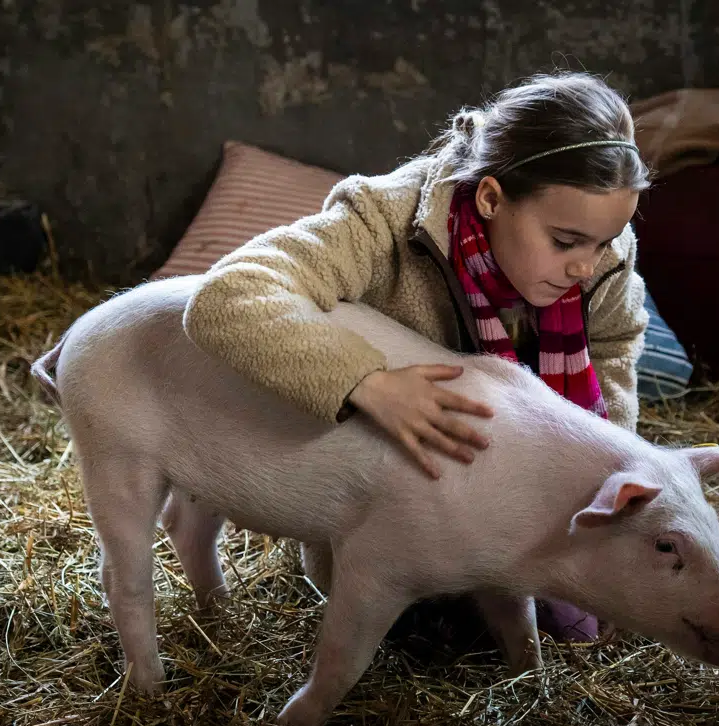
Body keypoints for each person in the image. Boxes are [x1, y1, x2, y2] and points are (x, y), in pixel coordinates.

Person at [181, 70, 654, 643]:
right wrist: (368, 382)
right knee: (425, 630)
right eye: (565, 243)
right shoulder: (381, 219)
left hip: (529, 485)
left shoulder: (601, 250)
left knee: (626, 591)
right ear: (490, 198)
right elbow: (229, 295)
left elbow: (611, 343)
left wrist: (600, 473)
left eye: (605, 242)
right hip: (398, 497)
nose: (587, 266)